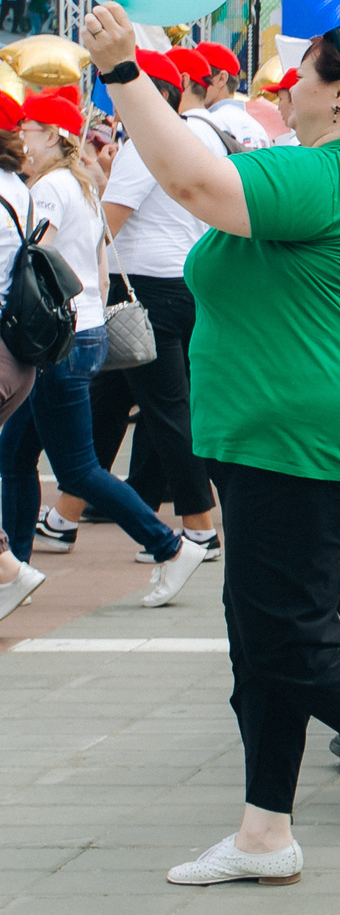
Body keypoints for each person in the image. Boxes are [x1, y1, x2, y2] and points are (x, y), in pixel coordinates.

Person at [78, 9, 340, 901]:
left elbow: (193, 184)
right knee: (263, 635)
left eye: (303, 73)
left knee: (289, 636)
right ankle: (264, 829)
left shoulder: (326, 173)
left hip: (296, 442)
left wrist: (123, 72)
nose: (286, 87)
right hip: (302, 434)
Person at [1, 90, 205, 606]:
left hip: (56, 339)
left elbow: (32, 262)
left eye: (29, 128)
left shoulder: (48, 188)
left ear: (51, 135)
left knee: (75, 468)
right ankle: (14, 568)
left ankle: (168, 544)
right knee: (19, 455)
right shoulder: (81, 183)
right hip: (80, 329)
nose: (21, 136)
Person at [57, 49, 228, 557]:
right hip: (178, 285)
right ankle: (62, 516)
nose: (112, 101)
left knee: (167, 412)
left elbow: (106, 223)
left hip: (147, 293)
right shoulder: (197, 135)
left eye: (119, 86)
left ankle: (199, 527)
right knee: (109, 405)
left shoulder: (144, 146)